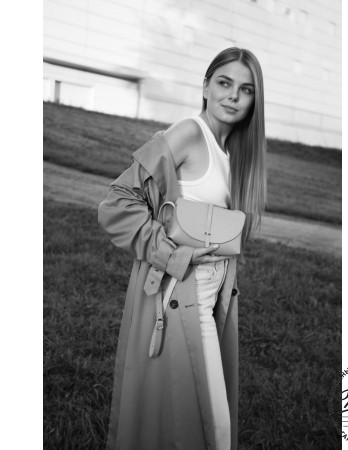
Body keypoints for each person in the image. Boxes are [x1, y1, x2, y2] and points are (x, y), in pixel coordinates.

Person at [98, 47, 267, 450]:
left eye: (246, 89)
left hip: (212, 295)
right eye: (224, 83)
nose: (233, 96)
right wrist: (172, 254)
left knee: (192, 418)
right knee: (213, 425)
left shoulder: (234, 153)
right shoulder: (190, 133)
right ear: (205, 86)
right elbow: (117, 202)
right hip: (180, 293)